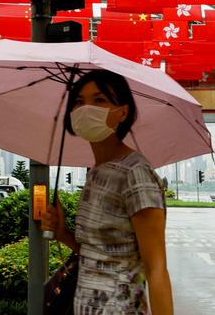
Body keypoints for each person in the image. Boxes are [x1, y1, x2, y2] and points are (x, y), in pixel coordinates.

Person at [42, 70, 173, 315]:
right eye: (79, 102)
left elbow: (156, 269)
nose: (85, 108)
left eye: (99, 100)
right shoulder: (97, 172)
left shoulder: (136, 174)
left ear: (122, 112)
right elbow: (100, 253)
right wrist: (63, 233)